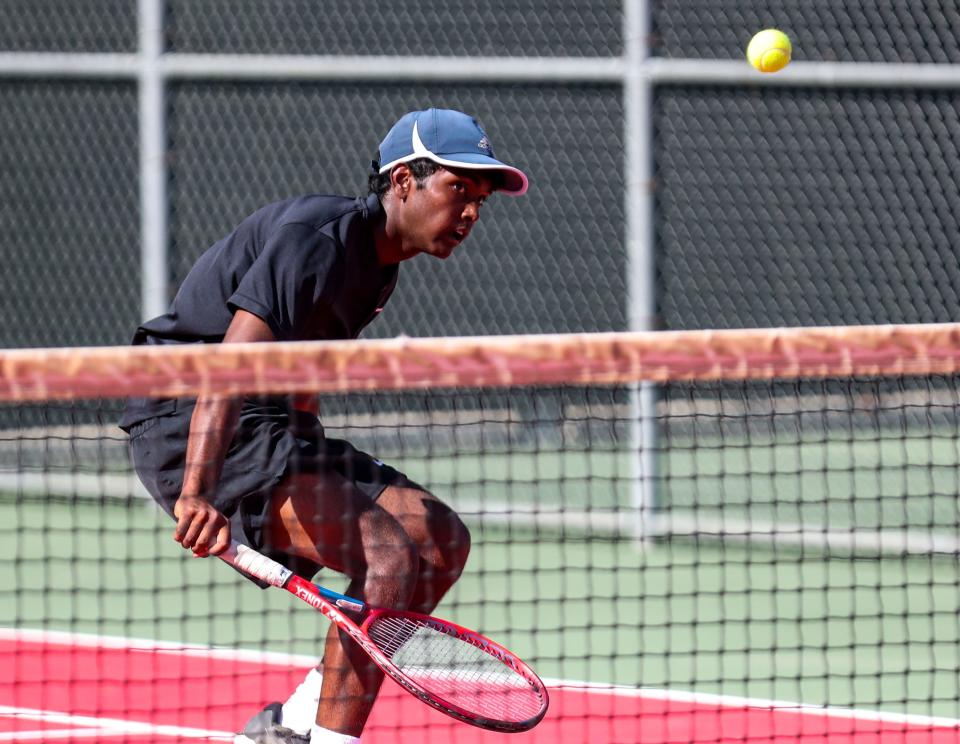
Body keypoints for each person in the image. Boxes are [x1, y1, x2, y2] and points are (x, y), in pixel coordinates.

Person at [119, 108, 528, 744]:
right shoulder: (316, 238)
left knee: (439, 538)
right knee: (386, 555)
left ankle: (297, 721)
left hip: (267, 422)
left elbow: (301, 372)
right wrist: (196, 491)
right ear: (402, 183)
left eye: (480, 199)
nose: (472, 213)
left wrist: (313, 460)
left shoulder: (379, 266)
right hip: (187, 413)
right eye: (458, 190)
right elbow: (229, 367)